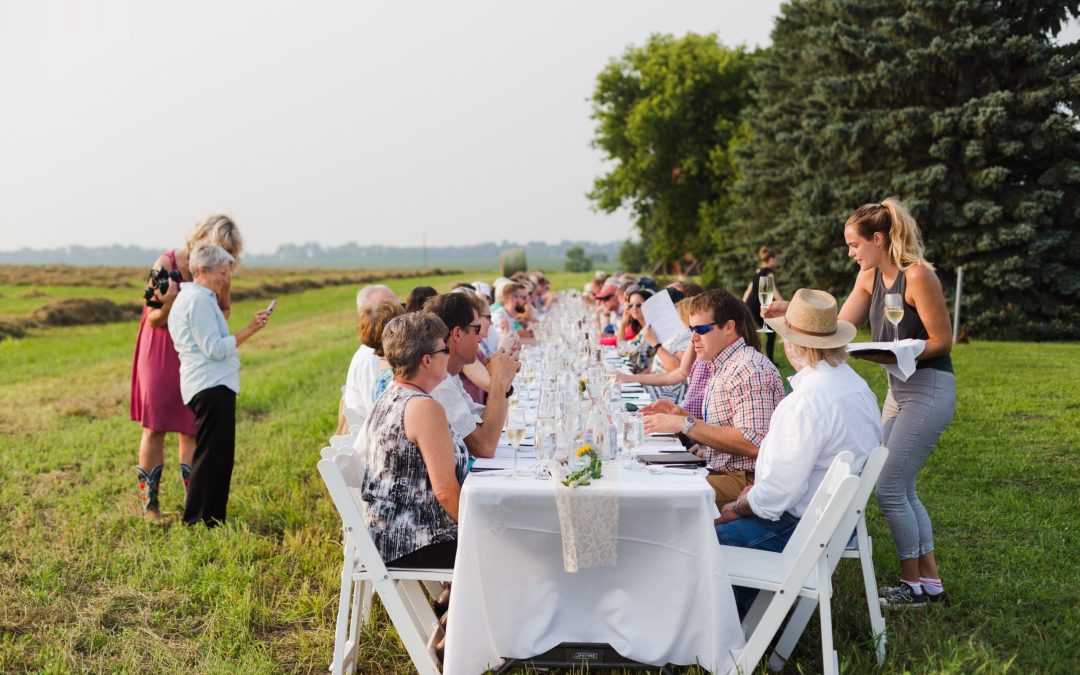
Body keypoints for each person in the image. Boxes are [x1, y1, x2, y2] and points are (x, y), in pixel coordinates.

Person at [716, 288, 882, 614]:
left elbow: (777, 498)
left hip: (798, 528)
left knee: (702, 540)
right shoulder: (858, 388)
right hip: (830, 523)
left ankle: (724, 631)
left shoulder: (805, 402)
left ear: (792, 346)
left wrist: (738, 504)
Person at [130, 213, 243, 519]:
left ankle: (193, 503)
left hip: (196, 357)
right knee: (154, 427)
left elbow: (223, 316)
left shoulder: (217, 270)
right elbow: (152, 316)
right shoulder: (166, 264)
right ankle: (150, 508)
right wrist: (170, 301)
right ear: (202, 238)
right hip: (161, 348)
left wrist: (225, 291)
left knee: (190, 428)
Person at [643, 289, 783, 509]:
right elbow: (725, 426)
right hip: (721, 470)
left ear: (729, 327)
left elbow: (754, 443)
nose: (693, 338)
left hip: (745, 480)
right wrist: (680, 415)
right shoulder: (723, 364)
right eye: (691, 330)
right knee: (648, 477)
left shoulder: (749, 368)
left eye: (701, 330)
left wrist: (685, 424)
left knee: (657, 497)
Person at [167, 243, 270, 526]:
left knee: (216, 455)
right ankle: (202, 520)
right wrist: (250, 329)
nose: (226, 279)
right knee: (213, 456)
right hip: (210, 385)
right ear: (202, 270)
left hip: (210, 384)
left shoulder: (199, 298)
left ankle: (209, 517)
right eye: (222, 273)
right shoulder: (198, 301)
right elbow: (213, 348)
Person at [361, 311, 466, 571]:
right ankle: (468, 610)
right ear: (427, 360)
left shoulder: (391, 394)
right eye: (445, 349)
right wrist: (479, 529)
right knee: (509, 546)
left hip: (388, 534)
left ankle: (453, 605)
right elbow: (444, 492)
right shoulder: (423, 409)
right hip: (413, 540)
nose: (449, 355)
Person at [426, 292, 519, 458]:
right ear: (458, 333)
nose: (480, 339)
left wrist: (503, 381)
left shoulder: (449, 374)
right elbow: (485, 446)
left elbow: (486, 421)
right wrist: (499, 380)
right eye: (476, 330)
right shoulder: (437, 382)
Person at [341, 285, 400, 433]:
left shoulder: (385, 351)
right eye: (385, 309)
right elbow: (381, 415)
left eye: (399, 306)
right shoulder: (372, 357)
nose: (399, 314)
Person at [743, 246, 785, 363]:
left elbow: (748, 289)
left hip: (750, 304)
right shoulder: (769, 272)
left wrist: (742, 304)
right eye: (775, 259)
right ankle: (768, 360)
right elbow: (773, 289)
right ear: (771, 259)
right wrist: (784, 303)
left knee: (752, 333)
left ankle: (763, 359)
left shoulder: (758, 271)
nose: (776, 261)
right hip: (758, 306)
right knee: (770, 334)